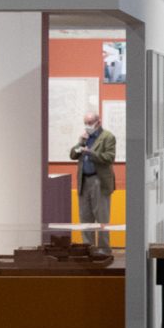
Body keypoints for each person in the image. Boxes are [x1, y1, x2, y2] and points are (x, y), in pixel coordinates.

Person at [68, 109, 116, 255]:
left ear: (98, 122)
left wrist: (91, 153)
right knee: (85, 217)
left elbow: (109, 157)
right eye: (85, 123)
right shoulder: (85, 137)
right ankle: (88, 248)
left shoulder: (108, 137)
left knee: (102, 217)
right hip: (84, 180)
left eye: (90, 123)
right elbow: (72, 155)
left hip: (99, 180)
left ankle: (104, 249)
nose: (87, 126)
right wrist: (80, 142)